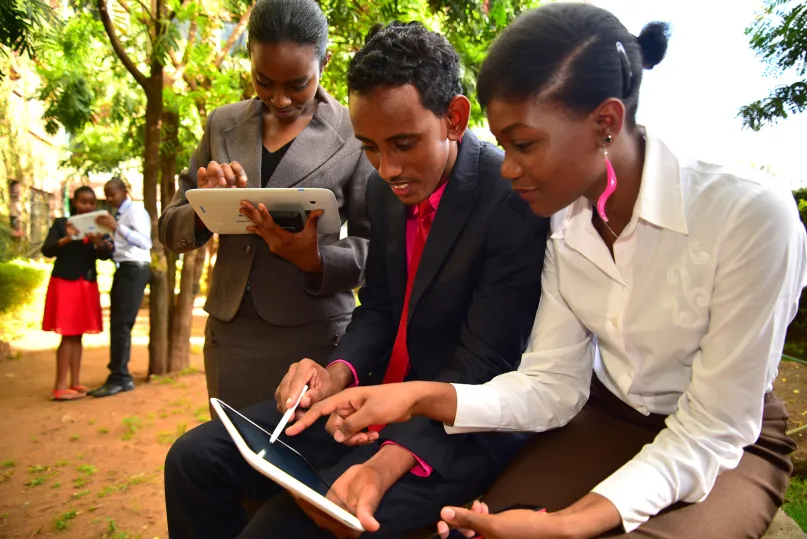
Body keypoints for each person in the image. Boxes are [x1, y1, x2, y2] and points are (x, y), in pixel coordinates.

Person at [289, 4, 807, 539]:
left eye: (525, 144)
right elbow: (552, 384)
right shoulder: (563, 221)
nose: (507, 168)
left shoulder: (748, 216)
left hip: (727, 441)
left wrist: (571, 523)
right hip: (605, 415)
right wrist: (417, 396)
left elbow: (713, 427)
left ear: (605, 122)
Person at [163, 21, 549, 539]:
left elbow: (484, 365)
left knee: (273, 530)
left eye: (404, 144)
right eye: (369, 148)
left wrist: (388, 456)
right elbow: (380, 308)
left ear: (454, 119)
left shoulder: (509, 201)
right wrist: (337, 372)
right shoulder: (388, 192)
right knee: (192, 460)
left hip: (448, 430)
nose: (387, 170)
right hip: (366, 404)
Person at [158, 0, 373, 410]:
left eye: (297, 84)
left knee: (300, 461)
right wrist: (205, 210)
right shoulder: (223, 123)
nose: (279, 99)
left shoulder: (354, 131)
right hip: (231, 331)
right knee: (234, 457)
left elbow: (376, 246)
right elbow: (171, 228)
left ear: (324, 62)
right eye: (264, 81)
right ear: (250, 60)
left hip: (314, 335)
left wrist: (315, 258)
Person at [41, 186, 112, 401]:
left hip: (86, 283)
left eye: (91, 202)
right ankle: (60, 386)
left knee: (78, 335)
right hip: (65, 283)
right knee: (68, 334)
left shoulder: (98, 227)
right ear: (75, 202)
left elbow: (106, 255)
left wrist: (99, 242)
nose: (88, 206)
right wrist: (67, 238)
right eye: (83, 202)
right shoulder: (62, 224)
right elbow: (47, 250)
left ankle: (74, 382)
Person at [88, 178, 152, 398]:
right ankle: (117, 374)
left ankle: (121, 378)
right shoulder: (118, 215)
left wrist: (117, 228)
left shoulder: (135, 210)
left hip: (135, 269)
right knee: (117, 323)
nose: (109, 199)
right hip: (123, 268)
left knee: (122, 324)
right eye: (106, 195)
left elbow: (145, 243)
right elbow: (120, 248)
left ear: (125, 191)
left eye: (112, 193)